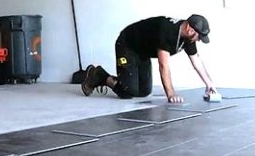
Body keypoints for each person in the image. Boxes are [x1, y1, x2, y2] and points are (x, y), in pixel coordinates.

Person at [81, 14, 217, 103]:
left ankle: (110, 78)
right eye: (199, 36)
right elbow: (164, 65)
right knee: (129, 91)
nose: (199, 40)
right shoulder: (167, 31)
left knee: (144, 92)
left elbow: (196, 61)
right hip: (127, 45)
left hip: (143, 52)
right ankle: (100, 75)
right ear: (189, 29)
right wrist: (171, 94)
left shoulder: (187, 38)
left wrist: (209, 84)